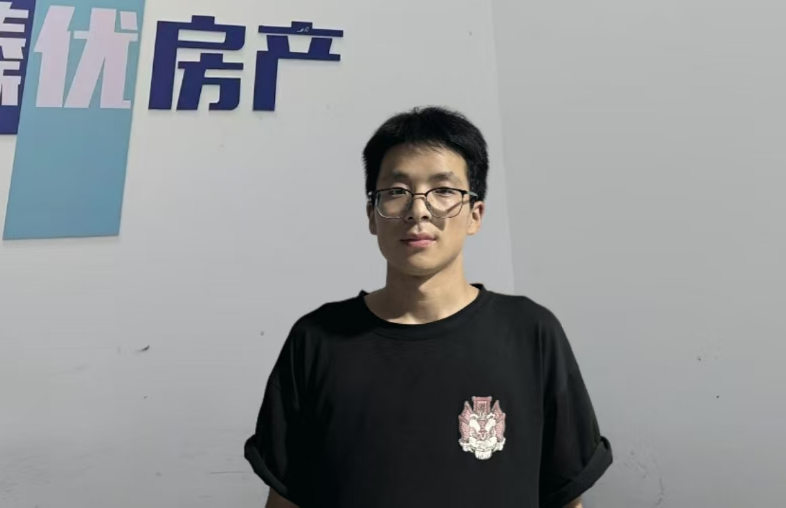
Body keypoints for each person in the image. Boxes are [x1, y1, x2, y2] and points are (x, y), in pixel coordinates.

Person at [244, 107, 612, 508]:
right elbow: (285, 501)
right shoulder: (316, 341)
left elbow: (566, 499)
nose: (418, 210)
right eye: (397, 191)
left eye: (443, 191)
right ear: (372, 215)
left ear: (475, 214)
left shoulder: (530, 333)